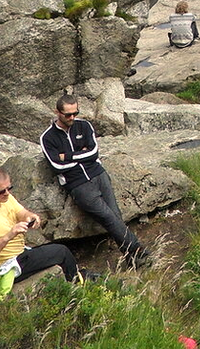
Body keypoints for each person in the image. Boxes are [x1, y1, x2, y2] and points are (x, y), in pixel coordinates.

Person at [40, 96, 148, 265]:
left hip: (98, 175)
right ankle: (137, 249)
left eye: (75, 113)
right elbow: (56, 166)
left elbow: (93, 153)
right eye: (68, 115)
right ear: (57, 113)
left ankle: (132, 259)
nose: (72, 118)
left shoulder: (84, 126)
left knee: (115, 215)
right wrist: (81, 156)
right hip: (78, 185)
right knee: (107, 216)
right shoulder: (47, 138)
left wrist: (67, 157)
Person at [0, 167, 80, 303]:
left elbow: (20, 212)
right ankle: (78, 285)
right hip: (3, 267)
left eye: (9, 188)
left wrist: (30, 217)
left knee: (52, 250)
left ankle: (76, 278)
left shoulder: (4, 198)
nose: (7, 193)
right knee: (61, 252)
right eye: (1, 191)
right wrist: (8, 236)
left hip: (19, 253)